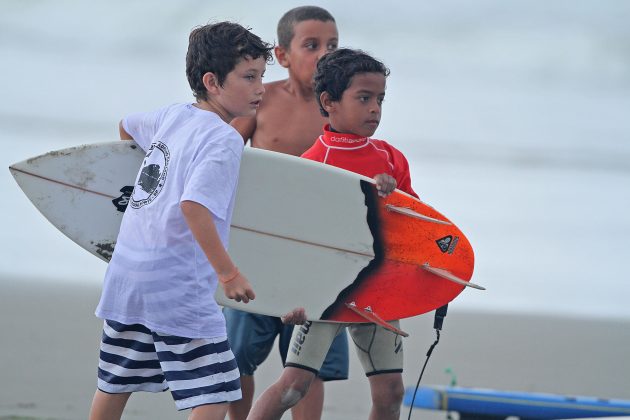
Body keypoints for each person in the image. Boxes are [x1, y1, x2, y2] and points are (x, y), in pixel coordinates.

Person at [88, 22, 279, 420]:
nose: (261, 87)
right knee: (216, 389)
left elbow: (127, 126)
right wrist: (228, 275)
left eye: (262, 75)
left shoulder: (172, 116)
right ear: (212, 81)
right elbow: (194, 206)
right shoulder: (223, 139)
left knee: (115, 379)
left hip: (127, 275)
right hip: (178, 286)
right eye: (249, 77)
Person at [248, 48, 418, 420]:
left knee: (391, 393)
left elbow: (414, 228)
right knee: (294, 387)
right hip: (324, 290)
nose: (375, 108)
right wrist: (286, 296)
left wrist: (395, 199)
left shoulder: (391, 158)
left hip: (376, 289)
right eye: (364, 98)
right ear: (329, 101)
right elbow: (290, 238)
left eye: (380, 99)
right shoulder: (312, 166)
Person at [225, 6, 349, 420]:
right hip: (260, 250)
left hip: (318, 253)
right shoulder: (261, 101)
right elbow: (222, 160)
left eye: (332, 45)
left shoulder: (342, 110)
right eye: (311, 45)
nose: (324, 54)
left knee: (308, 363)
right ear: (282, 55)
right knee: (237, 354)